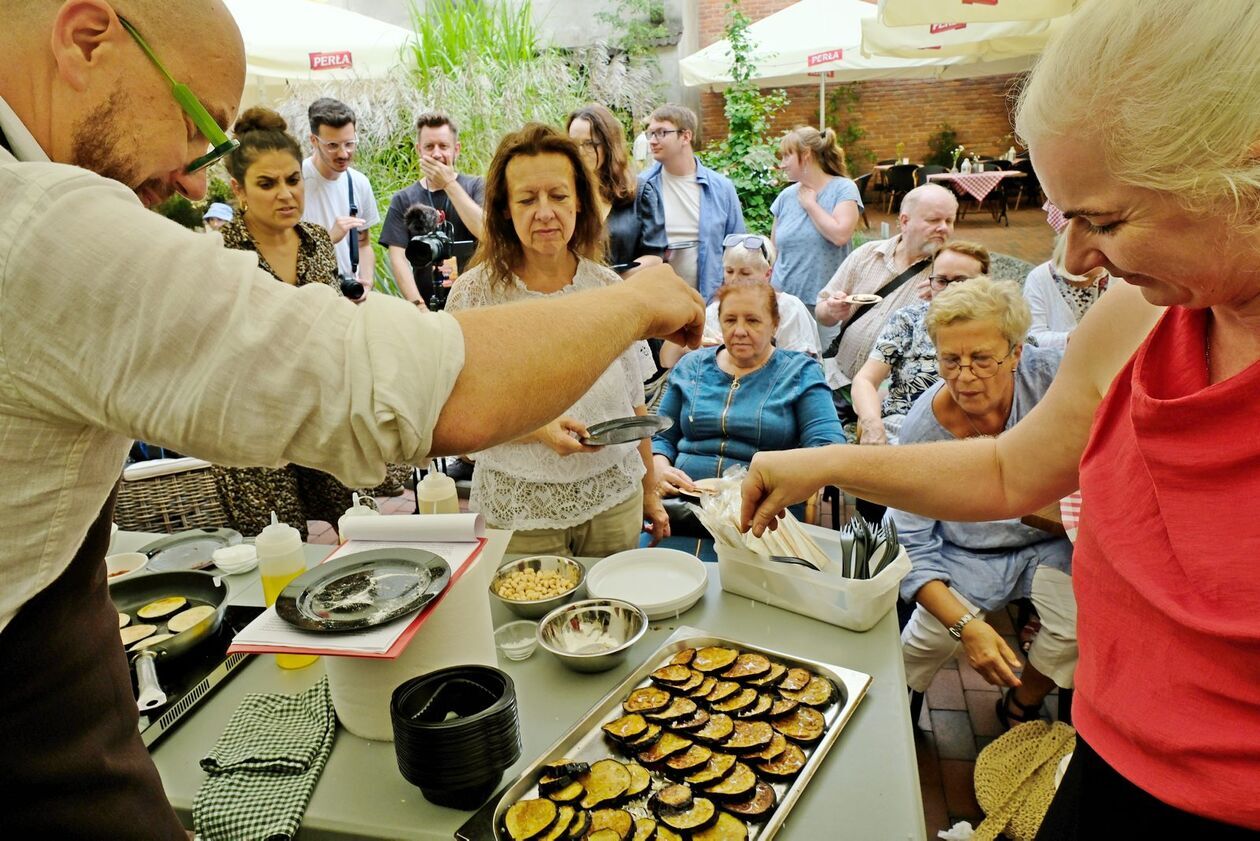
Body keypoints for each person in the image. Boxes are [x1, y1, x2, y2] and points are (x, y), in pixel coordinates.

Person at [0, 3, 704, 835]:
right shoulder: (41, 224)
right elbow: (390, 384)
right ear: (88, 40)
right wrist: (638, 300)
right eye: (202, 125)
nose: (196, 179)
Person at [741, 1, 1260, 834]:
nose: (1078, 259)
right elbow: (1010, 467)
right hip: (1108, 749)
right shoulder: (1139, 315)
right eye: (1071, 217)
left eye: (1109, 219)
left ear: (1243, 173)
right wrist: (827, 461)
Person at [445, 123, 668, 556]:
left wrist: (648, 488)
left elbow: (634, 404)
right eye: (527, 199)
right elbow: (456, 413)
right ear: (505, 208)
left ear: (580, 202)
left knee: (614, 617)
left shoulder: (608, 288)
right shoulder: (474, 296)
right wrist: (536, 428)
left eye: (559, 196)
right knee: (529, 622)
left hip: (612, 497)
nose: (545, 212)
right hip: (521, 507)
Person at [891, 278, 1074, 730]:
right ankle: (894, 716)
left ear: (1016, 352)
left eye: (982, 359)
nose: (965, 376)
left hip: (1051, 540)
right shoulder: (923, 430)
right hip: (966, 550)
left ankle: (1023, 703)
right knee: (925, 641)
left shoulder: (1054, 378)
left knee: (1076, 630)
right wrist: (966, 627)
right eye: (950, 360)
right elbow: (909, 539)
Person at [215, 107, 375, 538]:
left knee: (359, 525)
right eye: (266, 184)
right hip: (253, 421)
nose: (285, 194)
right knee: (278, 543)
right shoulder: (221, 252)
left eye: (292, 180)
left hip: (321, 406)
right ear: (238, 189)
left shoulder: (317, 238)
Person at [652, 278, 843, 514]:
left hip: (762, 511)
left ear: (774, 324)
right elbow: (661, 436)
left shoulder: (800, 372)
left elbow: (828, 446)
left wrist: (777, 479)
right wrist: (659, 467)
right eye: (730, 320)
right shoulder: (692, 366)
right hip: (682, 505)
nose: (740, 331)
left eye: (752, 320)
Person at [814, 183, 958, 396]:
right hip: (838, 381)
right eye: (934, 220)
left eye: (949, 221)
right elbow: (822, 313)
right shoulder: (867, 254)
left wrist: (949, 301)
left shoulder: (952, 274)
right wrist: (832, 309)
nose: (944, 227)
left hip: (893, 398)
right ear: (904, 221)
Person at [851, 241, 989, 445]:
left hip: (971, 437)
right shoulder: (908, 320)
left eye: (961, 281)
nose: (949, 290)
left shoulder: (1000, 328)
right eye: (941, 281)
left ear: (986, 283)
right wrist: (872, 425)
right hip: (900, 428)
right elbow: (865, 380)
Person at [661, 233, 820, 367]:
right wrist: (695, 345)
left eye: (745, 273)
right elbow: (667, 361)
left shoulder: (789, 308)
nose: (735, 280)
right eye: (729, 271)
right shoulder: (714, 311)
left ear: (767, 274)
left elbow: (800, 366)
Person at [638, 104, 746, 300]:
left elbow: (738, 249)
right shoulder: (641, 187)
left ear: (685, 136)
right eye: (650, 133)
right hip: (656, 304)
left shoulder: (721, 188)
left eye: (661, 133)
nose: (653, 141)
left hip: (709, 303)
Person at [770, 126, 863, 350]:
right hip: (786, 303)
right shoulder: (785, 197)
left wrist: (811, 205)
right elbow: (773, 251)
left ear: (807, 154)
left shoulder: (843, 189)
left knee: (827, 371)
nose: (782, 164)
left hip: (826, 305)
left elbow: (840, 235)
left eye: (786, 156)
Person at [379, 112, 486, 306]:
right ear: (419, 150)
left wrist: (449, 184)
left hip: (475, 303)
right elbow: (398, 258)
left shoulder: (476, 186)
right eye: (429, 147)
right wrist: (418, 306)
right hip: (427, 305)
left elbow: (485, 231)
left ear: (456, 149)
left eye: (443, 146)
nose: (436, 154)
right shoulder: (403, 199)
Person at [565, 103, 665, 275]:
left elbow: (654, 256)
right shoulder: (561, 195)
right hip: (577, 295)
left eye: (589, 144)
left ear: (608, 145)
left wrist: (613, 281)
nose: (580, 152)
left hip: (628, 291)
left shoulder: (640, 192)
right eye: (573, 144)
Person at [301, 97, 377, 294]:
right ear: (314, 141)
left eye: (349, 143)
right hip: (312, 292)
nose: (343, 154)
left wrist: (366, 282)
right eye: (333, 145)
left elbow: (364, 244)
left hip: (351, 292)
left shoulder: (359, 183)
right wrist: (329, 237)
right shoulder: (296, 182)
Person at [1023, 232, 1111, 349]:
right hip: (1057, 361)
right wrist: (1070, 338)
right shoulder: (1039, 278)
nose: (1085, 284)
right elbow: (1033, 338)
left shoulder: (1115, 276)